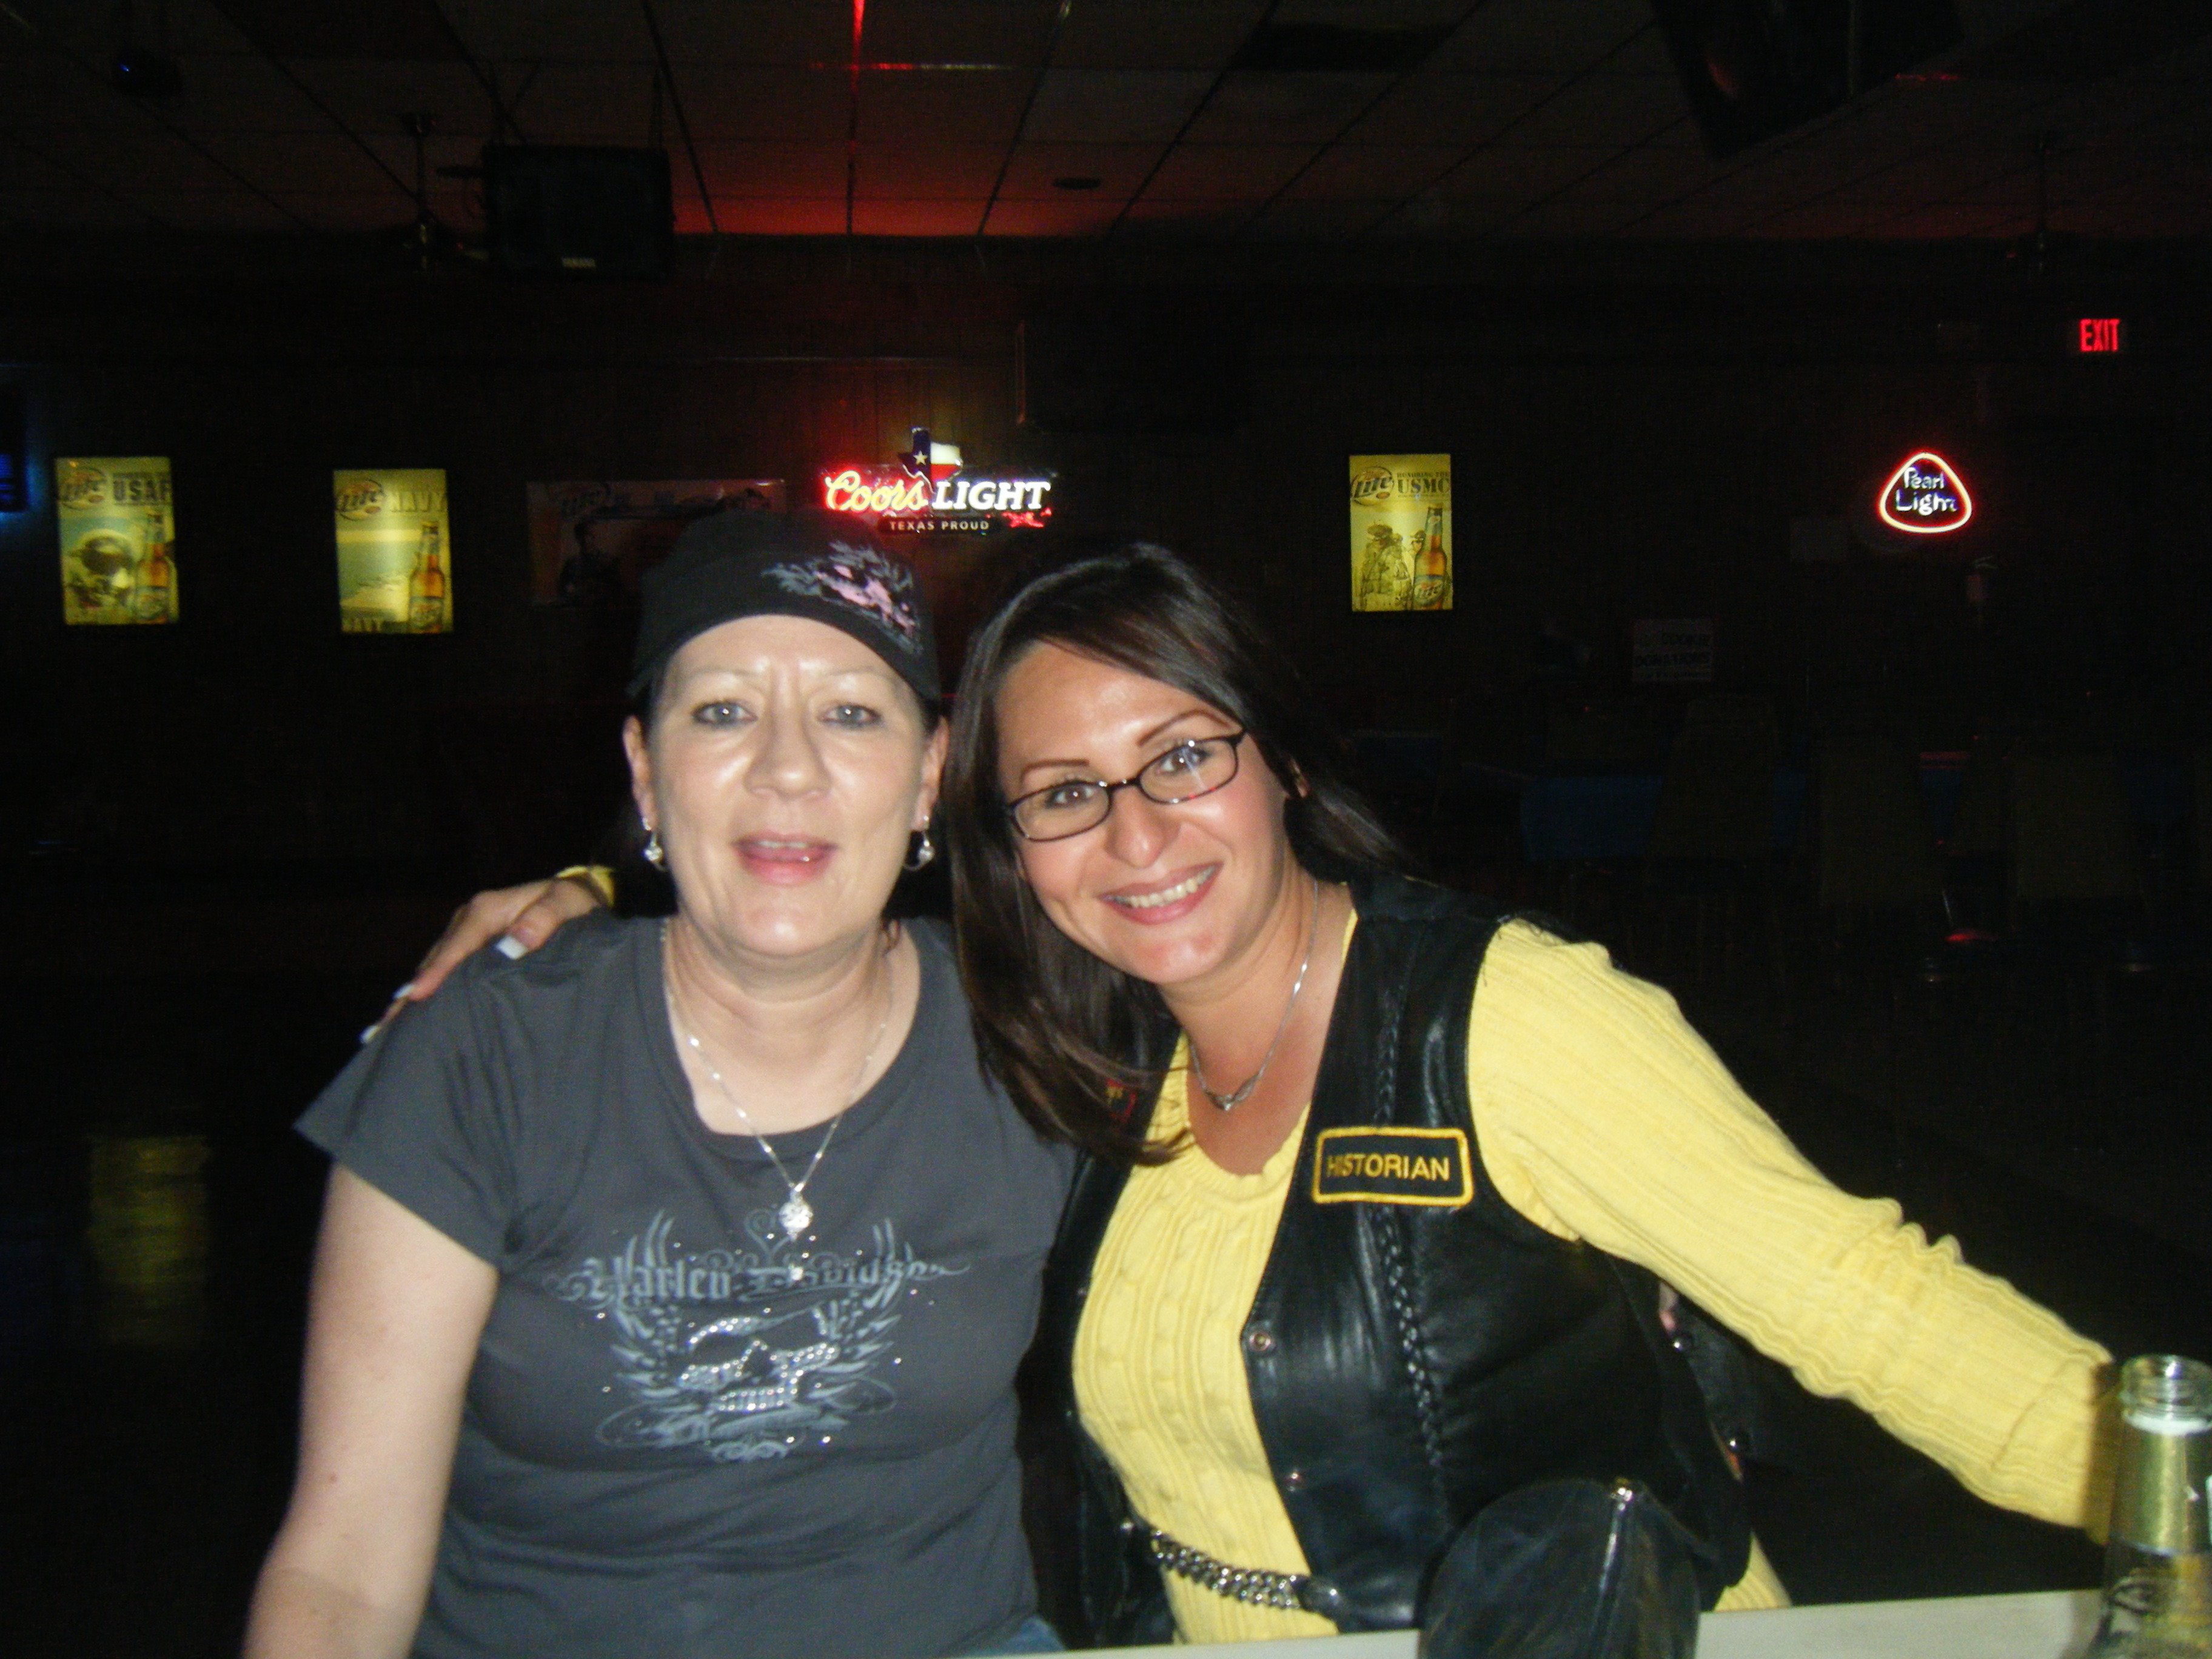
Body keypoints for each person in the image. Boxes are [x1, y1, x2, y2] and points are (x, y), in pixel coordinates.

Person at [411, 545, 2114, 1650]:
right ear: (1008, 844)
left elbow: (1876, 1304)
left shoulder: (1498, 1021)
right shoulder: (1079, 1058)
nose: (1136, 833)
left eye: (1183, 755)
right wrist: (593, 895)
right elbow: (792, 905)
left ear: (1280, 757)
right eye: (1064, 792)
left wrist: (2176, 1513)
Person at [246, 509, 1071, 1659]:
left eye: (850, 713)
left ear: (930, 772)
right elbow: (342, 1573)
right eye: (723, 711)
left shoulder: (1035, 1037)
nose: (788, 768)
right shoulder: (488, 1049)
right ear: (644, 768)